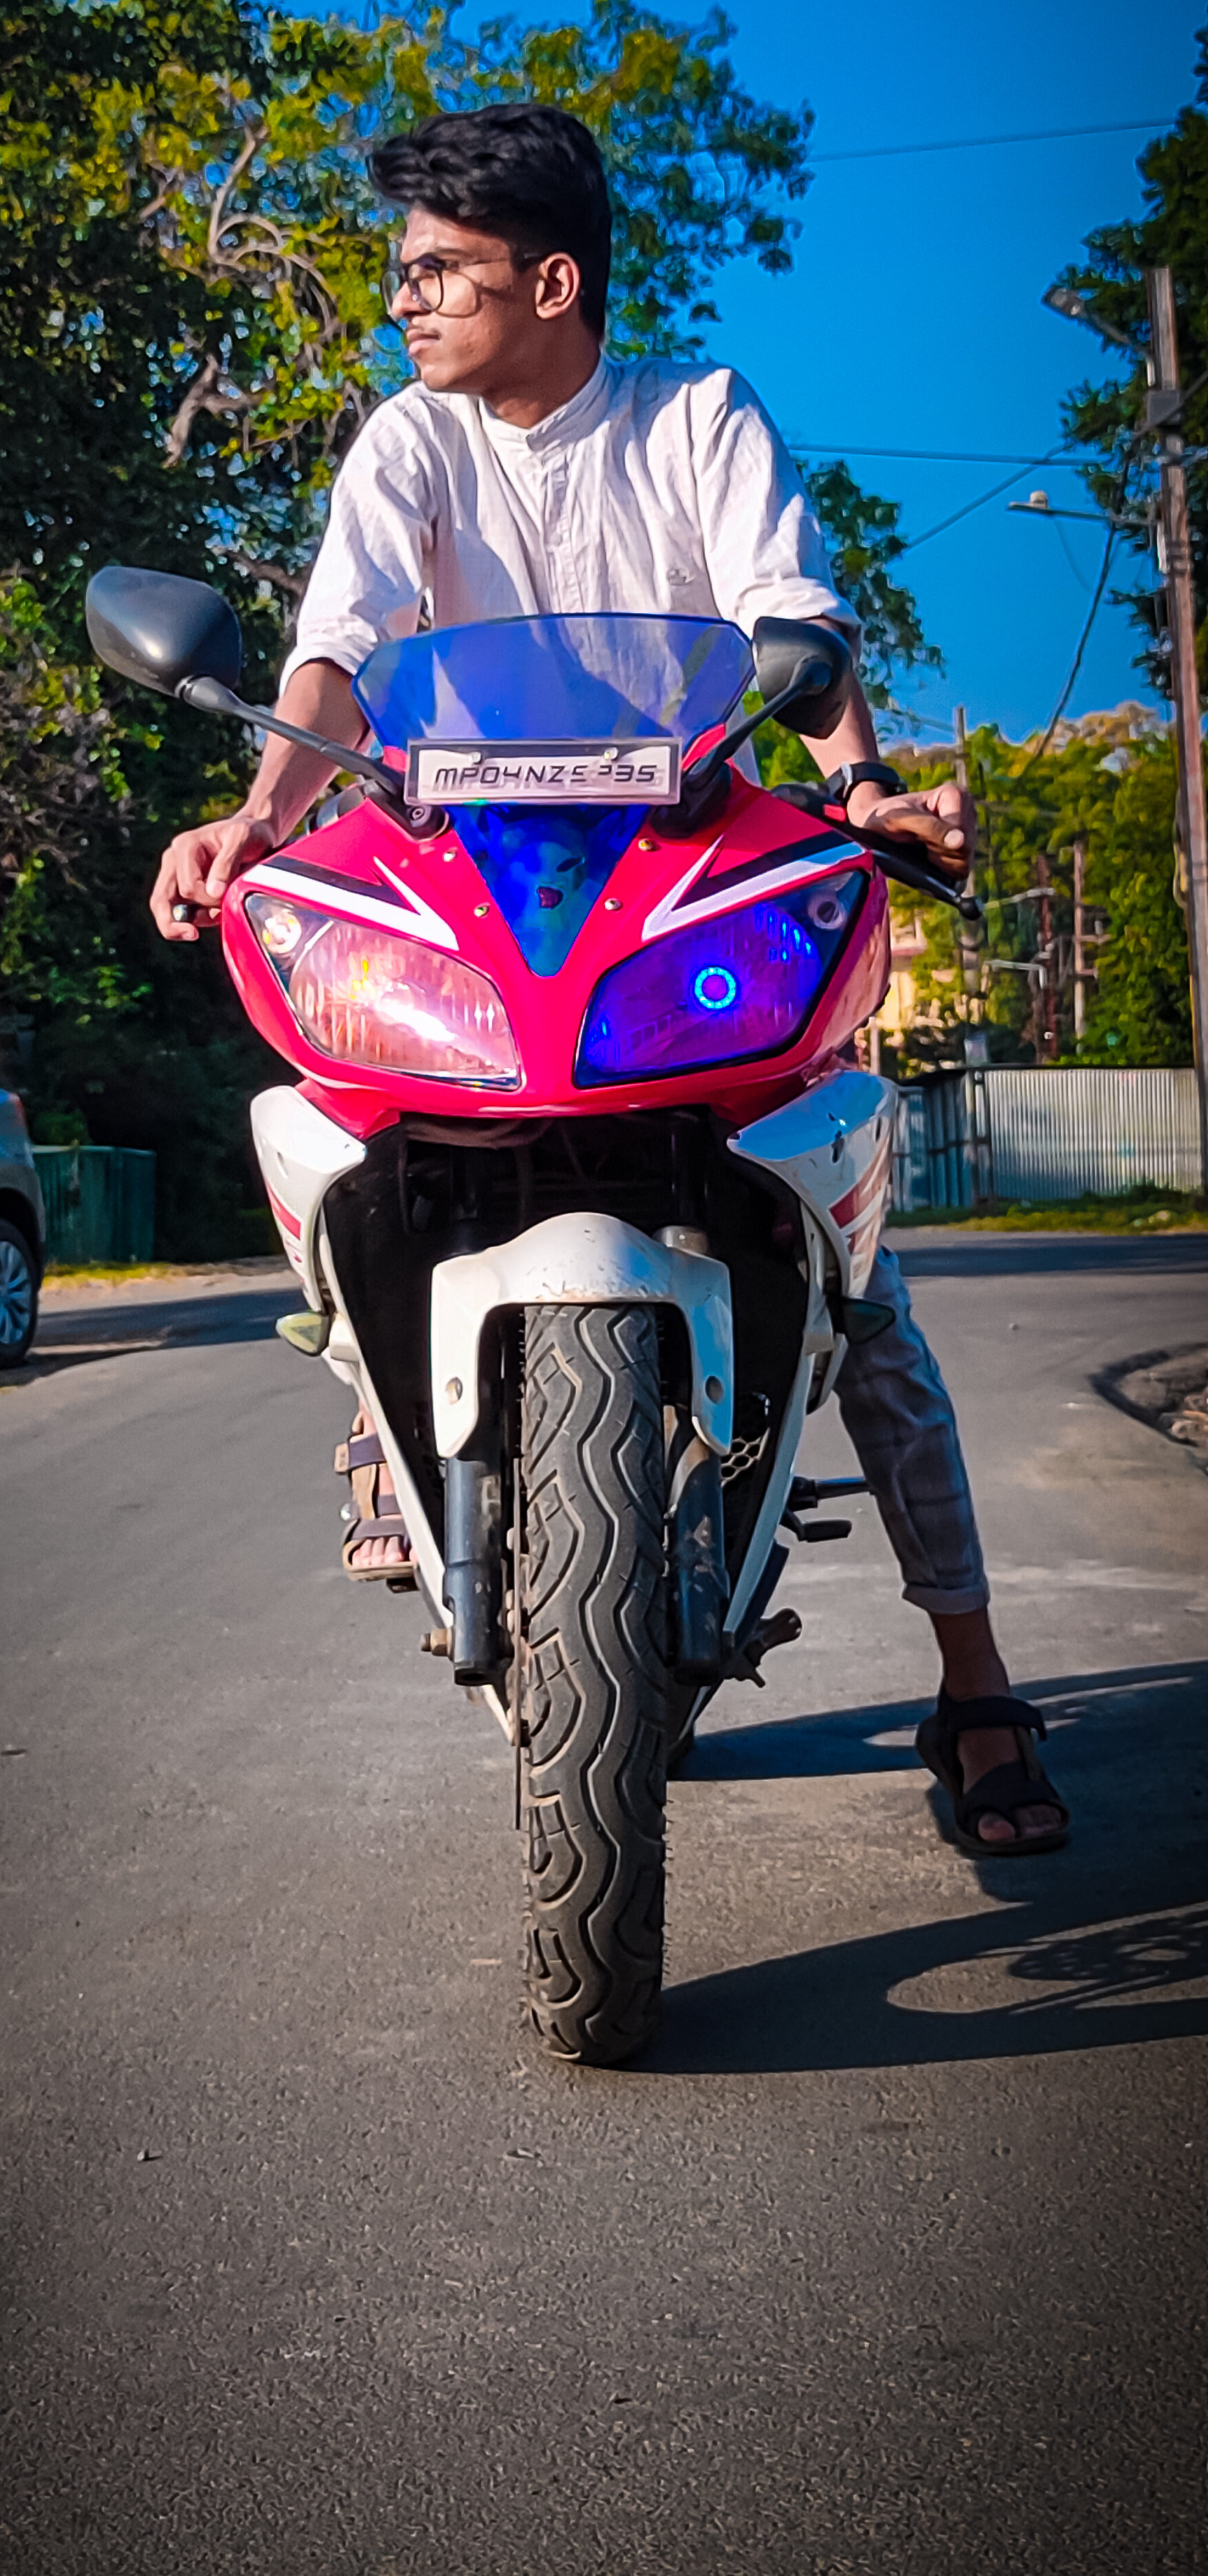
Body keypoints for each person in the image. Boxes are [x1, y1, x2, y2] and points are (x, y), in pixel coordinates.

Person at [152, 106, 1068, 1859]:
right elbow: (333, 656)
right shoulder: (406, 443)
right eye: (403, 272)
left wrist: (862, 789)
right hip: (468, 897)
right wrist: (257, 816)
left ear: (552, 283)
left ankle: (971, 1687)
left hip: (677, 892)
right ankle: (375, 1394)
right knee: (347, 1131)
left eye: (439, 270)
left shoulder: (694, 418)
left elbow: (796, 627)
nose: (405, 301)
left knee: (859, 1292)